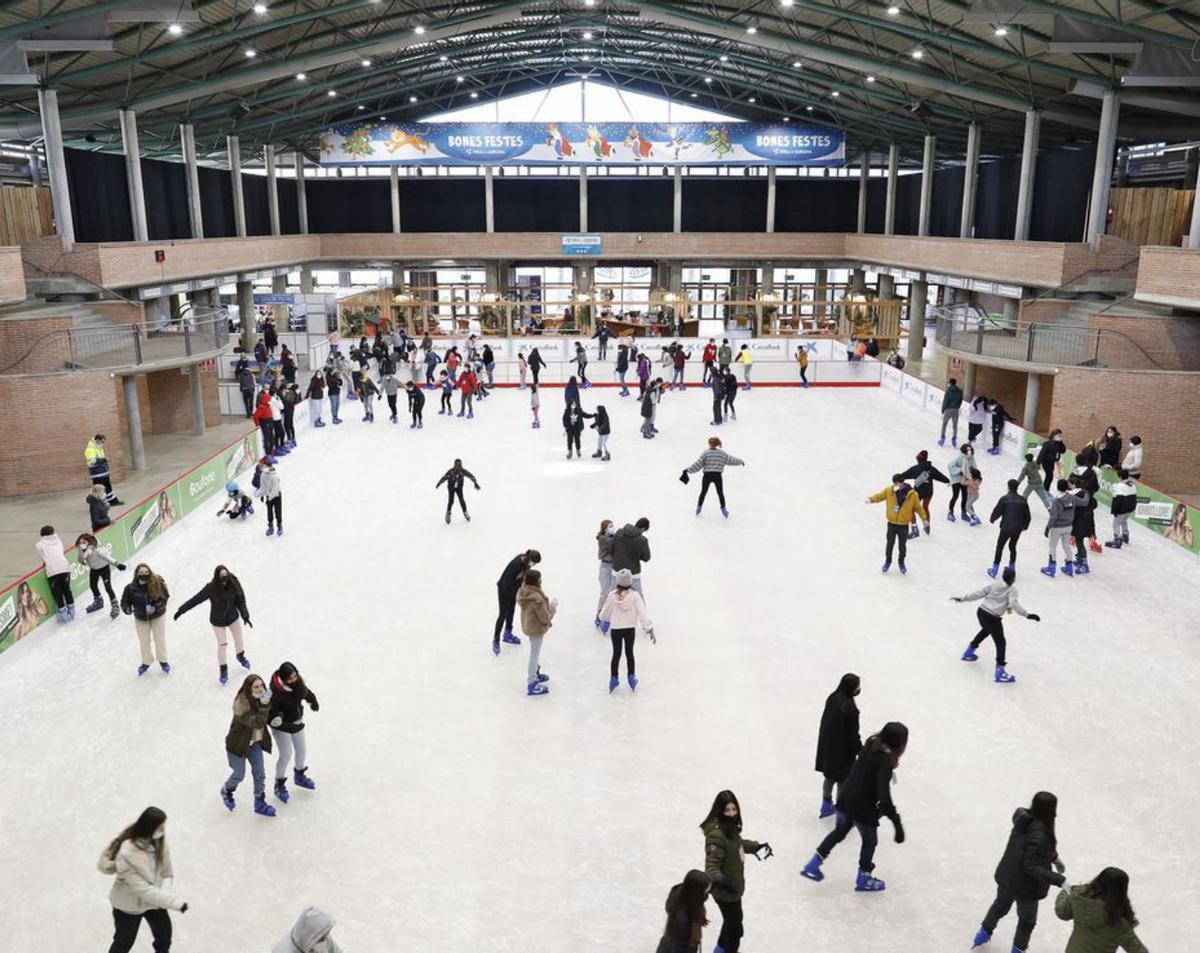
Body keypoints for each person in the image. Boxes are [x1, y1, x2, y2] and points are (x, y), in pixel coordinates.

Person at [801, 722, 908, 893]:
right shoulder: (884, 763)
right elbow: (884, 798)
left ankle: (813, 864)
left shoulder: (872, 742)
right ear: (900, 744)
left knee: (839, 832)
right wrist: (897, 824)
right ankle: (864, 877)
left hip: (845, 799)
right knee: (870, 841)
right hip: (862, 808)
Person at [971, 792, 1066, 951]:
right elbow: (1031, 866)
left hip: (1007, 877)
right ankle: (1018, 949)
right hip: (1026, 888)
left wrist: (1054, 858)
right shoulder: (1041, 833)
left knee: (999, 907)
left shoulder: (1024, 821)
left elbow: (1032, 850)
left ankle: (983, 933)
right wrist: (1059, 880)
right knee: (1026, 922)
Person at [97, 806, 187, 953]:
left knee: (164, 935)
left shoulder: (157, 841)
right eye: (160, 826)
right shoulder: (128, 854)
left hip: (151, 901)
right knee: (123, 943)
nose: (163, 830)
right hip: (128, 906)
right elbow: (143, 889)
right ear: (149, 827)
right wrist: (175, 902)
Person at [701, 791, 770, 953]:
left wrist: (755, 847)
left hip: (733, 888)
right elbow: (711, 865)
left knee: (730, 922)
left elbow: (737, 844)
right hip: (724, 892)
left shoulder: (729, 829)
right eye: (727, 810)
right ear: (720, 810)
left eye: (734, 809)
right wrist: (721, 880)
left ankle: (719, 949)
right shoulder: (716, 835)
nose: (732, 813)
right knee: (736, 930)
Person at [953, 567, 1041, 683]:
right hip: (992, 617)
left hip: (981, 612)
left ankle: (969, 651)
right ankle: (1000, 672)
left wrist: (963, 599)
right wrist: (1027, 615)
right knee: (1001, 643)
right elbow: (1014, 603)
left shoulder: (995, 585)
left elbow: (978, 593)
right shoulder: (1012, 590)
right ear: (1013, 579)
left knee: (986, 630)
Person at [174, 566, 253, 685]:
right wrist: (181, 610)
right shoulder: (211, 588)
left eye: (226, 574)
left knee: (239, 639)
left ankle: (240, 656)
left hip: (233, 617)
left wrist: (245, 615)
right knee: (222, 644)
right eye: (221, 575)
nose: (225, 577)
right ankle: (223, 669)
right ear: (217, 576)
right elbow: (196, 599)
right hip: (218, 620)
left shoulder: (234, 582)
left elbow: (240, 600)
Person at [221, 673, 277, 817]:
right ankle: (227, 790)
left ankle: (259, 803)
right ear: (248, 688)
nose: (260, 689)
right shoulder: (241, 706)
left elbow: (271, 715)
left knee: (260, 774)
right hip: (238, 746)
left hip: (255, 744)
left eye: (261, 686)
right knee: (239, 774)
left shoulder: (262, 700)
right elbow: (257, 722)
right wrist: (265, 705)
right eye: (256, 686)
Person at [1055, 868, 1148, 953]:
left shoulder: (1079, 897)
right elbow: (1138, 950)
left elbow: (1062, 913)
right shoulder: (1117, 922)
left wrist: (1066, 892)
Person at [268, 661, 319, 803]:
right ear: (283, 679)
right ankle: (279, 784)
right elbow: (271, 718)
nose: (294, 680)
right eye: (290, 679)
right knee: (286, 754)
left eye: (295, 676)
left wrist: (313, 700)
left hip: (296, 722)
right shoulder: (275, 694)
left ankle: (299, 775)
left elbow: (305, 692)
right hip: (280, 727)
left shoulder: (297, 684)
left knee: (302, 750)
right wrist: (289, 727)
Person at [814, 673, 862, 819]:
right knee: (843, 780)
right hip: (843, 751)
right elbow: (853, 734)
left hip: (828, 747)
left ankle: (826, 805)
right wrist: (859, 749)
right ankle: (842, 810)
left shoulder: (832, 698)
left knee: (830, 776)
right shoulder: (850, 709)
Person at [598, 567, 654, 693]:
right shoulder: (635, 596)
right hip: (629, 629)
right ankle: (631, 677)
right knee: (629, 653)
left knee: (616, 654)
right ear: (630, 582)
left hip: (616, 629)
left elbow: (604, 613)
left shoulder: (612, 596)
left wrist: (602, 619)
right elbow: (642, 613)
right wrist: (648, 627)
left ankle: (613, 678)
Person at [866, 475, 927, 575]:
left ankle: (901, 562)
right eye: (894, 483)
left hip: (903, 525)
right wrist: (871, 499)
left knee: (902, 546)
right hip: (891, 524)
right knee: (889, 544)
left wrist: (924, 519)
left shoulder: (912, 494)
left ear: (902, 483)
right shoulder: (889, 491)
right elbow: (880, 496)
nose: (895, 485)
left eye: (897, 484)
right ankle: (888, 561)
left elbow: (918, 508)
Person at [121, 563, 171, 676]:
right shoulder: (130, 588)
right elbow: (125, 601)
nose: (144, 575)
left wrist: (155, 607)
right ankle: (146, 662)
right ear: (137, 574)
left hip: (158, 616)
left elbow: (165, 597)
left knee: (160, 639)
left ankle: (163, 661)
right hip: (141, 618)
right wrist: (126, 608)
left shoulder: (157, 583)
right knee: (144, 641)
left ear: (150, 572)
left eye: (146, 572)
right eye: (141, 573)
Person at [516, 568, 557, 697]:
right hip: (536, 629)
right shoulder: (537, 599)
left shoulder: (523, 591)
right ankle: (532, 683)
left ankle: (536, 673)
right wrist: (552, 608)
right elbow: (545, 617)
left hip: (528, 625)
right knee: (534, 656)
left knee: (535, 653)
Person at [684, 436, 745, 518]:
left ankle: (698, 509)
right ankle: (724, 511)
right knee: (720, 493)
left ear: (709, 443)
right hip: (717, 476)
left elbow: (698, 464)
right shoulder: (722, 454)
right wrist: (740, 461)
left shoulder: (705, 453)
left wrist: (688, 470)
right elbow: (731, 460)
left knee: (703, 492)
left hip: (707, 476)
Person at [493, 549, 540, 655]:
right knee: (503, 614)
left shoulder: (526, 563)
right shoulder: (517, 564)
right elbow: (506, 582)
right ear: (530, 559)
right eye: (534, 562)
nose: (534, 565)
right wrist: (517, 593)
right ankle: (496, 640)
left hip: (512, 589)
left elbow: (520, 580)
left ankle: (507, 633)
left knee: (511, 610)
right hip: (504, 589)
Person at [657, 870, 712, 953]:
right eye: (707, 887)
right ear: (698, 891)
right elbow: (679, 947)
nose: (709, 888)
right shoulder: (683, 919)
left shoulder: (684, 894)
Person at [897, 450, 948, 539]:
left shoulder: (916, 468)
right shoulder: (931, 469)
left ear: (918, 459)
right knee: (925, 507)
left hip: (918, 492)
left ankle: (914, 529)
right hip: (929, 492)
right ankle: (926, 525)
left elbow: (905, 475)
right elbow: (940, 476)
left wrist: (897, 478)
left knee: (911, 509)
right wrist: (947, 480)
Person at [988, 479, 1032, 576]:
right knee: (1012, 546)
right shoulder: (1023, 500)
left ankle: (995, 569)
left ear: (1008, 487)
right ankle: (1012, 567)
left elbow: (997, 511)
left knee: (1000, 546)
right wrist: (1025, 526)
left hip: (1006, 527)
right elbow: (1028, 516)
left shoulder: (1005, 499)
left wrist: (992, 519)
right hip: (1018, 528)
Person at [76, 532, 126, 618]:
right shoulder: (81, 549)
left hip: (104, 568)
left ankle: (115, 606)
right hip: (94, 569)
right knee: (93, 586)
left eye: (84, 542)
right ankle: (98, 601)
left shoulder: (97, 549)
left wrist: (117, 564)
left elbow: (107, 557)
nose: (82, 544)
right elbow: (80, 560)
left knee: (108, 587)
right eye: (80, 543)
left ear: (89, 541)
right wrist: (83, 555)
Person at [1042, 479, 1083, 578]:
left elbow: (1054, 517)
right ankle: (1069, 567)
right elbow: (1084, 502)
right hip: (1068, 526)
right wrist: (1086, 492)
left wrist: (1048, 528)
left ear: (1057, 487)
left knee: (1052, 546)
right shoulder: (1072, 498)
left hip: (1057, 528)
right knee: (1066, 545)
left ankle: (1051, 567)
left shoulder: (1056, 500)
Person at [36, 525, 74, 623]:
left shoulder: (39, 545)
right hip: (64, 567)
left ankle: (63, 613)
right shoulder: (58, 540)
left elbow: (43, 557)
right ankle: (72, 610)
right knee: (66, 590)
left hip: (53, 570)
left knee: (57, 593)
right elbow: (61, 551)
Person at [272, 907, 344, 953]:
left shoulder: (322, 938)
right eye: (322, 938)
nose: (325, 940)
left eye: (326, 935)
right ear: (310, 937)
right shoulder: (282, 951)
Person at [611, 517, 651, 600]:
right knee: (639, 598)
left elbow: (612, 549)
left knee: (612, 596)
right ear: (643, 528)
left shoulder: (619, 532)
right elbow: (646, 558)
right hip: (633, 573)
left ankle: (607, 612)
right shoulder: (642, 540)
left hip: (617, 570)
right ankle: (641, 613)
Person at [436, 458, 480, 524]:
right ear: (454, 465)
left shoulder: (463, 471)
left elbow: (470, 476)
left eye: (460, 465)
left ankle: (465, 513)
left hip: (459, 488)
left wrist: (475, 483)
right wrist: (439, 483)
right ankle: (448, 514)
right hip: (451, 488)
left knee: (461, 500)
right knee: (451, 500)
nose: (459, 467)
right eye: (457, 465)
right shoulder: (451, 472)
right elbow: (444, 478)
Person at [85, 433, 123, 506]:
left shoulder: (99, 448)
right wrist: (103, 460)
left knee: (108, 487)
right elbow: (92, 461)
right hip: (97, 474)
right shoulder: (90, 449)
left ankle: (113, 501)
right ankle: (101, 504)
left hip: (103, 472)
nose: (103, 443)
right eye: (102, 442)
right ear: (97, 440)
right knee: (99, 490)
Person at [1106, 468, 1137, 549]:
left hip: (1123, 508)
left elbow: (1118, 499)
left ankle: (1117, 540)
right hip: (1130, 507)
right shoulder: (1132, 484)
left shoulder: (1119, 486)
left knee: (1116, 523)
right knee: (1123, 521)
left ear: (1119, 477)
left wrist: (1115, 511)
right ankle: (1125, 535)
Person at [594, 521, 616, 631]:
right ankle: (599, 615)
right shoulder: (603, 538)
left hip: (613, 567)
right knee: (604, 593)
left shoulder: (613, 537)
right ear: (605, 528)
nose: (612, 528)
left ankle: (607, 618)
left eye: (613, 525)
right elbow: (612, 543)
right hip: (605, 567)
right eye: (610, 526)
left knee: (612, 593)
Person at [256, 455, 283, 538]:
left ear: (268, 466)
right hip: (269, 496)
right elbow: (263, 487)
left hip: (276, 496)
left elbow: (275, 490)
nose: (262, 468)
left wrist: (270, 498)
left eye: (263, 466)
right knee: (269, 512)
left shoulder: (273, 476)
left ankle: (279, 526)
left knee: (278, 512)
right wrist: (259, 494)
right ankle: (270, 526)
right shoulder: (263, 475)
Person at [948, 444, 976, 522]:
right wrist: (960, 470)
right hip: (956, 479)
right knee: (955, 495)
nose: (969, 452)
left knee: (965, 497)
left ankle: (963, 513)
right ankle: (950, 512)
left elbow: (974, 468)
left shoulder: (972, 458)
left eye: (970, 450)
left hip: (965, 480)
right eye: (968, 450)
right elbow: (950, 466)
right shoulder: (960, 457)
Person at [939, 377, 963, 446]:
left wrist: (943, 410)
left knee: (944, 424)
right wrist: (957, 407)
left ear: (950, 383)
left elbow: (946, 401)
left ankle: (942, 439)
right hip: (956, 410)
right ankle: (954, 439)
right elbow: (960, 401)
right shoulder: (960, 391)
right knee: (955, 425)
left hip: (949, 409)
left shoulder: (948, 391)